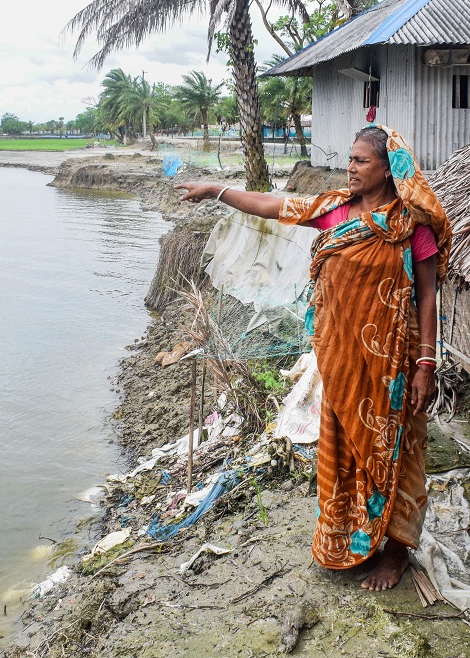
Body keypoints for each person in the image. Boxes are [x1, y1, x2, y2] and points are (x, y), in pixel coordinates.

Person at [175, 126, 451, 591]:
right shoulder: (333, 209)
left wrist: (426, 365)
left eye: (362, 161)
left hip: (393, 367)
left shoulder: (409, 225)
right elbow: (272, 205)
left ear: (387, 168)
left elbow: (427, 296)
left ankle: (398, 551)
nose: (351, 167)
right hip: (341, 362)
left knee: (397, 451)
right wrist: (216, 191)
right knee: (344, 447)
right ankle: (353, 537)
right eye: (351, 159)